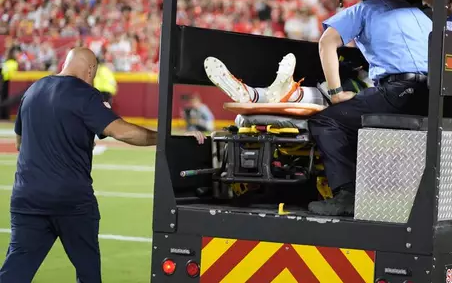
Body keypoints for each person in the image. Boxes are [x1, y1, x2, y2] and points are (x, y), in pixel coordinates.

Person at [0, 47, 205, 283]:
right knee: (88, 273)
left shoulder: (33, 90)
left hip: (26, 197)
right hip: (71, 200)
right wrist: (167, 139)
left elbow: (19, 142)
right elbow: (122, 131)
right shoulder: (85, 94)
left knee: (15, 271)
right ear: (90, 70)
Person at [304, 0, 452, 217]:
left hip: (400, 90)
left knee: (328, 120)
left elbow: (327, 42)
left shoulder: (363, 9)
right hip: (435, 93)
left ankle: (346, 195)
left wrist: (337, 93)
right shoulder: (421, 14)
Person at [203, 53, 371, 107]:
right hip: (339, 90)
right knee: (325, 91)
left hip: (355, 97)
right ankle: (251, 94)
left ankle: (254, 94)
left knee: (324, 94)